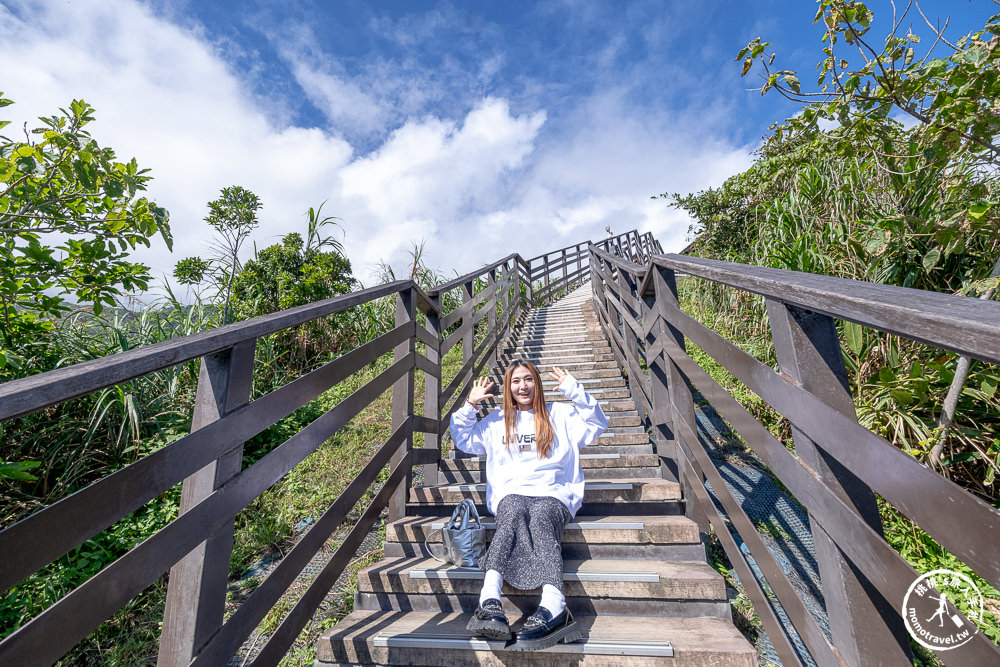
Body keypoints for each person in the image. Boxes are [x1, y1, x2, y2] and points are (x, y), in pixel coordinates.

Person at [449, 359, 608, 650]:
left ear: (537, 383)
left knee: (540, 517)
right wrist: (470, 405)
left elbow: (598, 424)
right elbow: (462, 438)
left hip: (553, 494)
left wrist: (576, 391)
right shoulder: (497, 420)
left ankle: (554, 605)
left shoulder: (559, 414)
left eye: (528, 379)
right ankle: (489, 601)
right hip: (512, 495)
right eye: (515, 381)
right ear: (508, 387)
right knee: (511, 514)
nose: (523, 386)